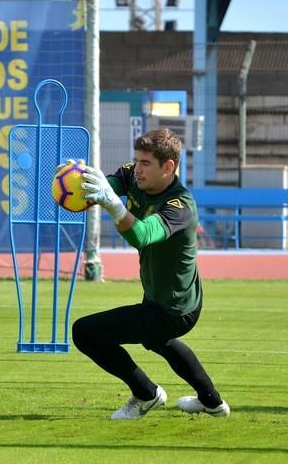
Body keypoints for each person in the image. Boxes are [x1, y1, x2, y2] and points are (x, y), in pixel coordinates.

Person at [72, 128, 229, 420]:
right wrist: (78, 181)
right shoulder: (135, 175)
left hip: (173, 309)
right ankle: (212, 402)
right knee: (158, 341)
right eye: (137, 160)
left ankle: (146, 394)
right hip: (167, 297)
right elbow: (108, 186)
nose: (138, 169)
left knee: (85, 332)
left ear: (168, 167)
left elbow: (142, 235)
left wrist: (113, 205)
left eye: (146, 163)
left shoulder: (179, 206)